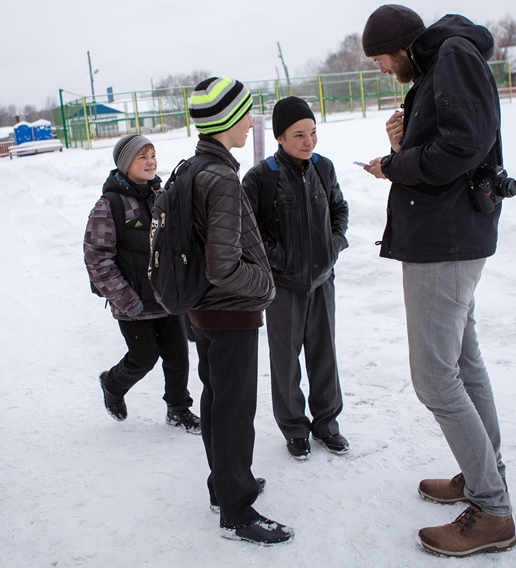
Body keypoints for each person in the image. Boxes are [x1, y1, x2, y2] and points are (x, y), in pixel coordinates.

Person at [361, 5, 516, 557]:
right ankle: (482, 478)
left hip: (444, 242)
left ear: (399, 45)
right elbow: (449, 141)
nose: (379, 67)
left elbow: (462, 146)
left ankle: (492, 509)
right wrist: (405, 141)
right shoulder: (438, 64)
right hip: (448, 236)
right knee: (462, 364)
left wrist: (394, 165)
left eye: (379, 57)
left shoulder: (450, 56)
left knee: (433, 378)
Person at [186, 76, 293, 545]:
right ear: (226, 119)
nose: (252, 121)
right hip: (229, 313)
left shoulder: (193, 168)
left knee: (215, 401)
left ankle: (223, 484)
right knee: (234, 410)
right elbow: (224, 266)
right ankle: (237, 511)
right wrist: (264, 287)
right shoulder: (222, 180)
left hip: (203, 312)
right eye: (245, 113)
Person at [242, 96, 350, 460]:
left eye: (313, 133)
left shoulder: (324, 168)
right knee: (286, 359)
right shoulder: (261, 178)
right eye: (299, 135)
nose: (309, 142)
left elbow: (339, 209)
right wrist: (279, 261)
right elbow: (249, 231)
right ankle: (294, 428)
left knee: (324, 354)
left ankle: (327, 424)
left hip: (322, 280)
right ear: (280, 138)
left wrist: (333, 246)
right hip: (284, 286)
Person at [84, 134, 201, 435]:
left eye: (152, 155)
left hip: (165, 296)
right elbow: (97, 258)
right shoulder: (109, 205)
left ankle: (178, 408)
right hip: (133, 300)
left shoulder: (160, 194)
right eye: (142, 157)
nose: (151, 162)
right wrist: (124, 298)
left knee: (178, 355)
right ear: (125, 164)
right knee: (143, 357)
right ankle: (112, 383)